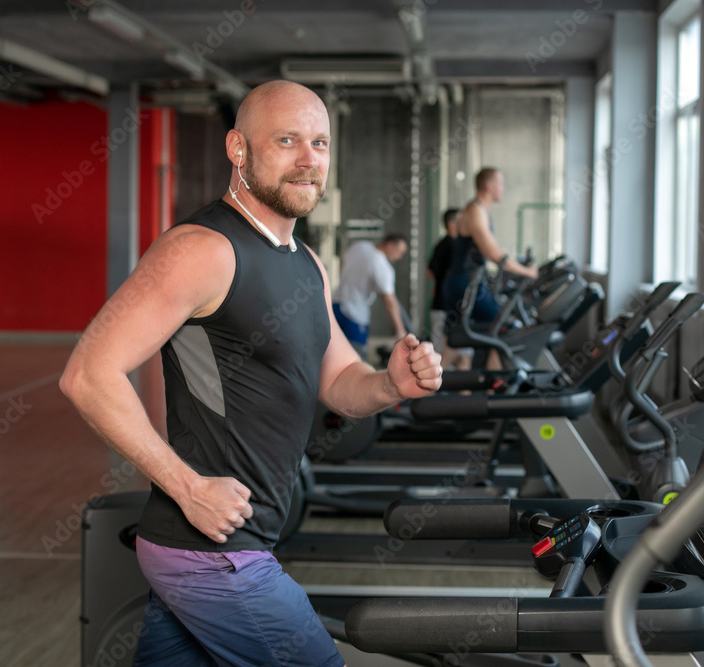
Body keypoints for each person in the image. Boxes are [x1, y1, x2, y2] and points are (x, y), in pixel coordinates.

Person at [60, 80, 442, 667]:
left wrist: (392, 384)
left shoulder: (307, 264)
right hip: (213, 554)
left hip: (223, 542)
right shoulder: (201, 250)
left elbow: (340, 382)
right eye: (286, 140)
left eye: (319, 142)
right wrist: (188, 487)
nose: (308, 158)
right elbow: (88, 374)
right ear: (239, 149)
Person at [441, 167, 538, 326]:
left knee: (455, 342)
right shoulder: (475, 211)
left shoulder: (479, 211)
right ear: (489, 186)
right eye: (501, 183)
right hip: (467, 285)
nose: (503, 188)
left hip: (462, 282)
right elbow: (495, 255)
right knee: (503, 327)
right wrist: (527, 271)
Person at [331, 233, 409, 359]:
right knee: (355, 360)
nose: (399, 257)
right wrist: (400, 330)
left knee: (332, 353)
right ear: (389, 245)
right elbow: (389, 301)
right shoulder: (383, 266)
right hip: (355, 314)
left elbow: (343, 263)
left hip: (335, 304)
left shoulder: (359, 246)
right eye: (399, 252)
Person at [426, 208, 472, 370]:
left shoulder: (449, 245)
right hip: (445, 308)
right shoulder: (450, 246)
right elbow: (434, 272)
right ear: (452, 224)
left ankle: (464, 394)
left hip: (451, 307)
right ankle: (429, 394)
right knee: (440, 356)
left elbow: (430, 272)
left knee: (464, 355)